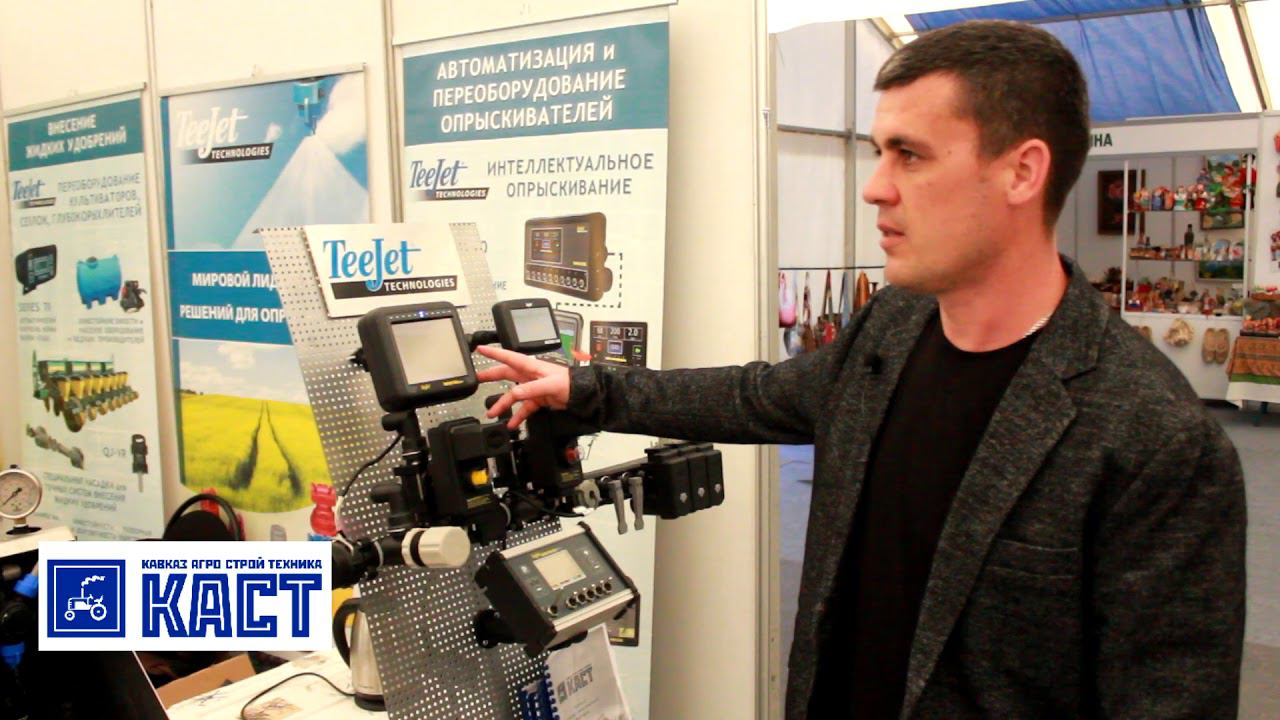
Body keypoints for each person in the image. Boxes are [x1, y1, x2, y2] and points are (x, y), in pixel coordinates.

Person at [477, 20, 1246, 720]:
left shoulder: (1154, 440)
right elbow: (756, 395)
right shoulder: (895, 326)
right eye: (880, 152)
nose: (876, 185)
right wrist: (585, 388)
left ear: (1022, 172)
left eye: (910, 154)